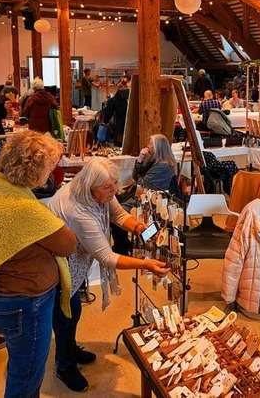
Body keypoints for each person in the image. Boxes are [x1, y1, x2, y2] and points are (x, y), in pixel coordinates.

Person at [48, 158, 169, 392]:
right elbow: (107, 257)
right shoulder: (79, 210)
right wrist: (147, 264)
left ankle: (70, 350)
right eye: (108, 188)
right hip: (58, 267)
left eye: (115, 184)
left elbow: (120, 216)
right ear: (91, 186)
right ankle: (64, 366)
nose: (114, 191)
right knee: (65, 316)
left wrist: (139, 228)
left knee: (72, 310)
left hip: (73, 262)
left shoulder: (98, 190)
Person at [0, 131, 77, 398]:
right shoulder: (21, 207)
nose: (51, 172)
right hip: (24, 303)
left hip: (5, 298)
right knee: (26, 375)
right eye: (49, 166)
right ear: (34, 169)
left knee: (22, 365)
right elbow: (68, 245)